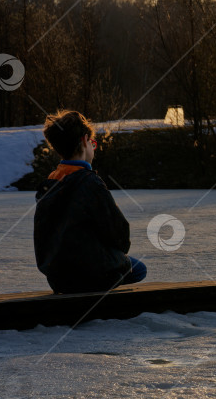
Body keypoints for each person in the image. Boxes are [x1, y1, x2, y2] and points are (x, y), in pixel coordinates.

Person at [33, 110, 146, 293]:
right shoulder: (89, 182)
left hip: (58, 279)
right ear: (85, 141)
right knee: (139, 268)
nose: (94, 148)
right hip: (90, 273)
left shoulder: (50, 183)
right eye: (93, 143)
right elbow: (121, 237)